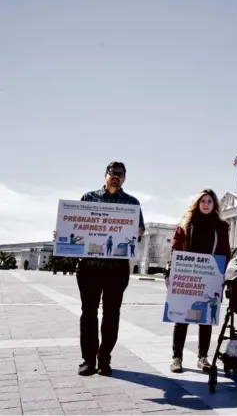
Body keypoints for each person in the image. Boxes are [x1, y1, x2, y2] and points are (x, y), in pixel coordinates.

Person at [76, 161, 145, 376]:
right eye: (112, 173)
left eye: (120, 174)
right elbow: (77, 225)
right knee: (88, 313)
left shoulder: (132, 203)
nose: (116, 177)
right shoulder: (88, 198)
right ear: (105, 175)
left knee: (111, 314)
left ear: (125, 178)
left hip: (116, 269)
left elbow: (140, 229)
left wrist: (137, 232)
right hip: (90, 267)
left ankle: (104, 359)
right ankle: (88, 359)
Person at [166, 189, 231, 373]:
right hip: (188, 275)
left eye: (209, 201)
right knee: (181, 318)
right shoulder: (186, 225)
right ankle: (177, 357)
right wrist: (169, 272)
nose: (206, 204)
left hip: (210, 276)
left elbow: (225, 252)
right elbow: (176, 250)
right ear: (197, 203)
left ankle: (203, 357)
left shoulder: (221, 226)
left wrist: (222, 275)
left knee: (205, 320)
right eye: (203, 201)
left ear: (214, 205)